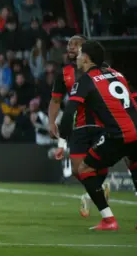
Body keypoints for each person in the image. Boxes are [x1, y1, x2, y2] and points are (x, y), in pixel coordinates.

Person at [56, 40, 137, 231]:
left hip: (119, 134)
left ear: (86, 58)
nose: (76, 58)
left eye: (79, 54)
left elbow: (69, 114)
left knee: (83, 170)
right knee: (133, 161)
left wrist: (62, 138)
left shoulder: (84, 81)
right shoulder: (118, 74)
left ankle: (109, 220)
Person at [48, 34, 110, 217]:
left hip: (101, 123)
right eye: (69, 44)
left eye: (76, 44)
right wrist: (52, 121)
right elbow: (55, 100)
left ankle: (97, 204)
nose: (71, 47)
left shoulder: (103, 70)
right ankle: (99, 189)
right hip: (78, 126)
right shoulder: (65, 74)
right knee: (77, 169)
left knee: (98, 163)